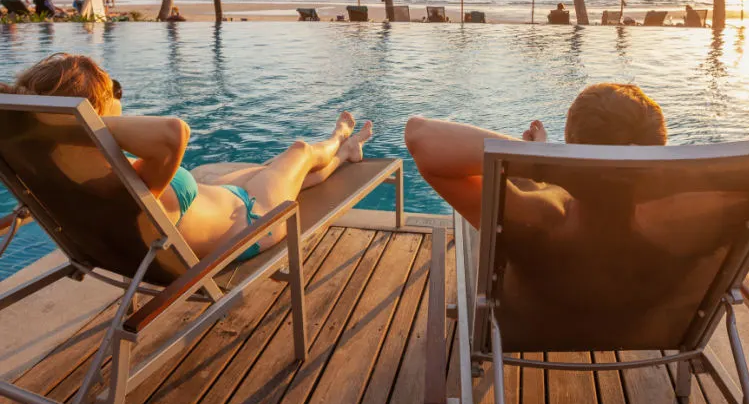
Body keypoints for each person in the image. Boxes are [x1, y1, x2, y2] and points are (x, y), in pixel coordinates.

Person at [0, 54, 372, 260]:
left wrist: (49, 126)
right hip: (253, 220)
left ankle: (345, 153)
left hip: (219, 203)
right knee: (300, 153)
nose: (120, 95)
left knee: (271, 171)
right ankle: (340, 137)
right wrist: (81, 124)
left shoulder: (60, 170)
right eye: (114, 89)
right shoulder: (125, 173)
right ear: (95, 110)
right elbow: (173, 132)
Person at [406, 83, 669, 229]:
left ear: (569, 143)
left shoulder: (544, 217)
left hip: (539, 325)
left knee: (521, 184)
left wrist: (540, 157)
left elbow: (420, 134)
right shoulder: (684, 220)